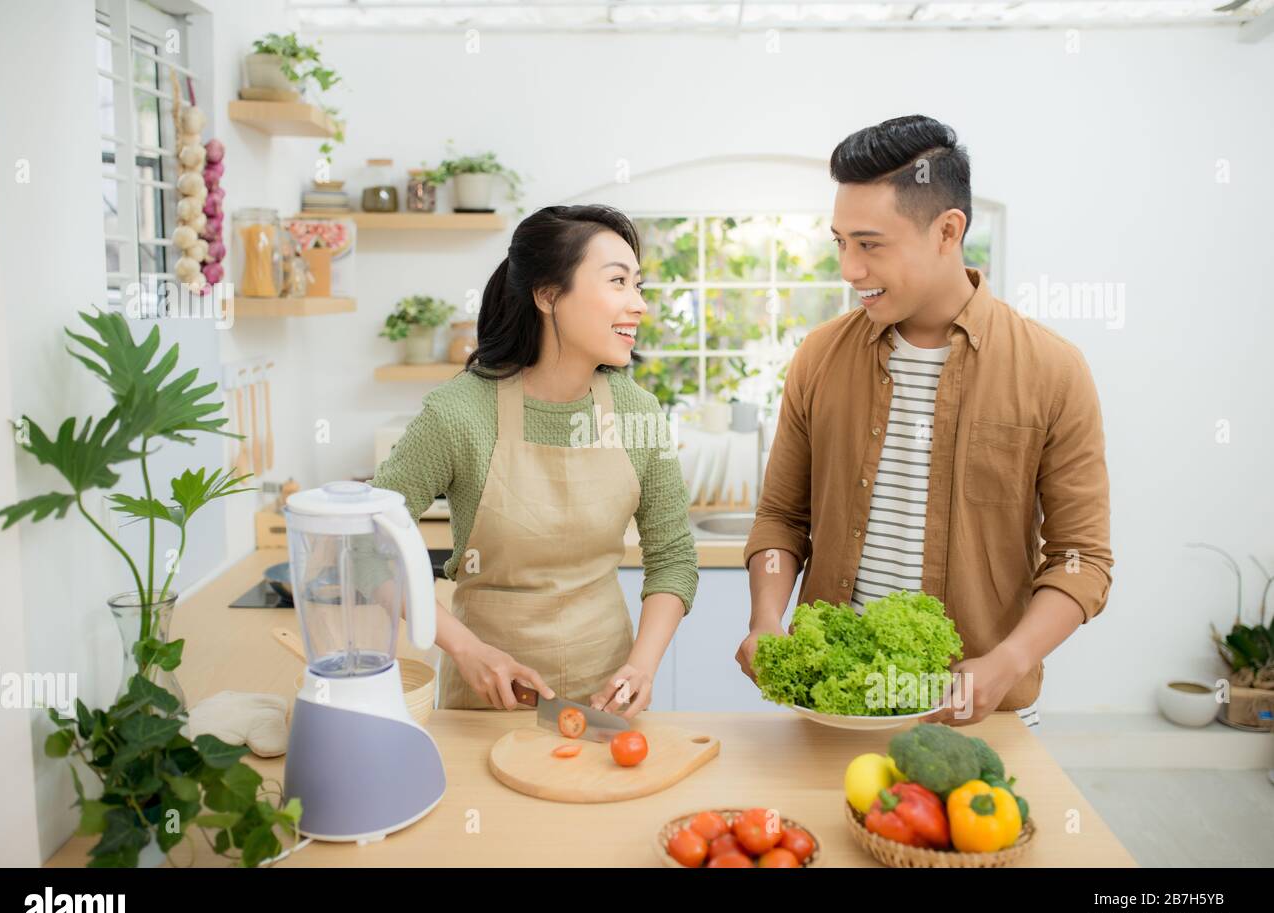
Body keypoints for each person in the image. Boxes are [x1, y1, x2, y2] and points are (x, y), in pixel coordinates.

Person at [736, 116, 1113, 729]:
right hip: (832, 706)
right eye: (840, 242)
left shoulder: (1053, 370)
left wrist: (1008, 660)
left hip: (976, 715)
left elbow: (1081, 558)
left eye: (870, 244)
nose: (849, 269)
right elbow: (781, 519)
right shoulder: (818, 358)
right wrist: (766, 622)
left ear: (948, 230)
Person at [374, 204, 698, 717]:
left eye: (638, 285)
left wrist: (642, 666)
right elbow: (369, 544)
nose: (638, 304)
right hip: (485, 701)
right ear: (548, 295)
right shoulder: (458, 413)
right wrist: (467, 650)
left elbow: (673, 557)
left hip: (605, 702)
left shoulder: (637, 413)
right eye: (618, 282)